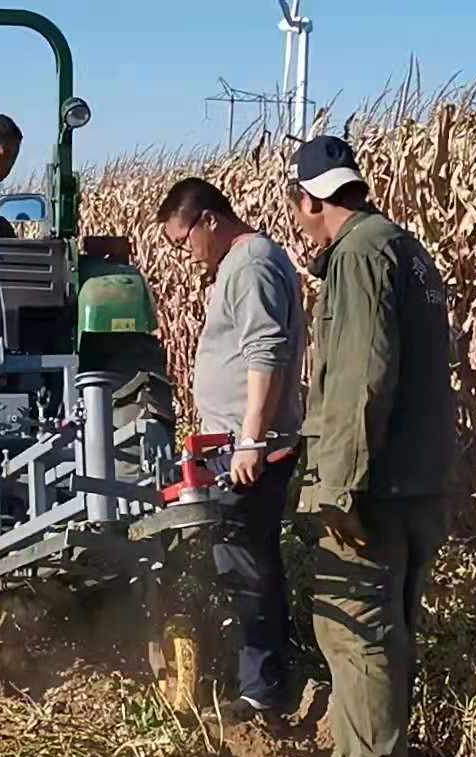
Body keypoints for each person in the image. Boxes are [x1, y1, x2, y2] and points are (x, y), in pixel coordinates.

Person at [288, 135, 455, 757]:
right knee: (393, 623)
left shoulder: (357, 255)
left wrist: (338, 489)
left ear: (309, 200)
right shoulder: (405, 247)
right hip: (420, 475)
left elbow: (361, 379)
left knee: (354, 627)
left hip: (375, 482)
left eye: (299, 206)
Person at [157, 177, 306, 722]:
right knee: (246, 560)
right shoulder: (243, 264)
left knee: (246, 566)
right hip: (236, 448)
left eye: (183, 241)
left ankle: (261, 690)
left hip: (249, 454)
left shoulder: (250, 266)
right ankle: (261, 677)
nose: (185, 253)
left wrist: (249, 442)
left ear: (209, 221)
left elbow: (266, 352)